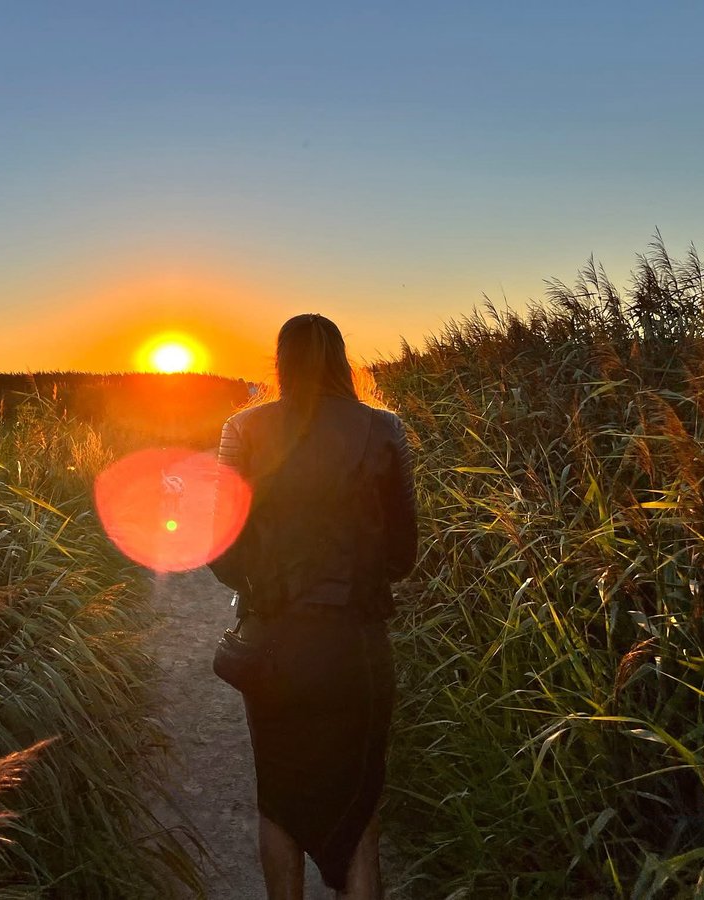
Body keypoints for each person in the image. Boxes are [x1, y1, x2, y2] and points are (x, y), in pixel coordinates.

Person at [208, 314, 417, 900]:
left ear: (281, 362)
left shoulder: (241, 429)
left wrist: (266, 587)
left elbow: (220, 551)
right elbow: (403, 554)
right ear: (341, 361)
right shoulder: (384, 429)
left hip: (274, 648)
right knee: (359, 812)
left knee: (278, 803)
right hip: (356, 646)